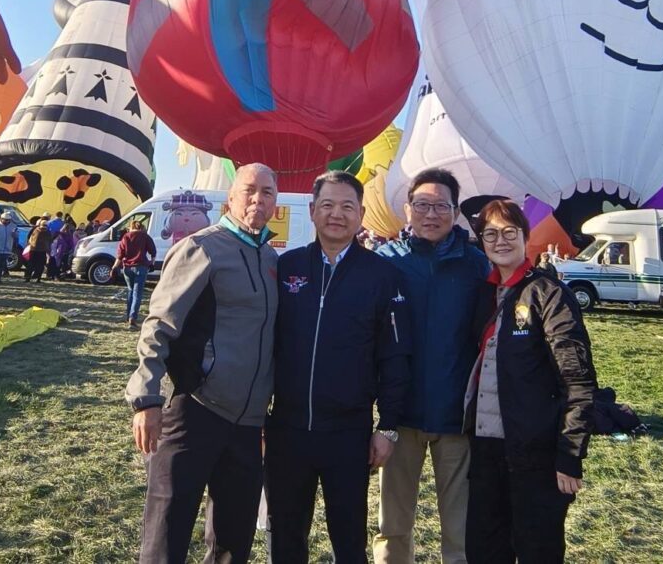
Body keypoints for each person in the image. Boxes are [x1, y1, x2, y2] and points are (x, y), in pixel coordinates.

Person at [126, 163, 279, 564]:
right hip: (196, 410)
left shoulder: (270, 257)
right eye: (249, 190)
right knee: (167, 531)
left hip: (247, 425)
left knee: (234, 538)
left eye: (267, 192)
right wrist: (146, 399)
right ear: (230, 196)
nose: (257, 200)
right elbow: (159, 324)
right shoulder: (202, 247)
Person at [266, 170, 411, 564]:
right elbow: (267, 345)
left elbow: (394, 357)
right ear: (312, 211)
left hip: (348, 434)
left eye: (348, 206)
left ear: (361, 214)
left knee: (348, 539)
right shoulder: (287, 268)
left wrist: (388, 426)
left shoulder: (383, 276)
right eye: (327, 205)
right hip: (287, 430)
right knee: (285, 536)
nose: (337, 214)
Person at [464, 197, 597, 564]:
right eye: (490, 233)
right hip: (485, 449)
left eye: (509, 232)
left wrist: (570, 454)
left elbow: (579, 379)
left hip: (534, 452)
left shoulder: (549, 294)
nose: (500, 240)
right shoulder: (484, 294)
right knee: (484, 549)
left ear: (525, 237)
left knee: (537, 549)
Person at [373, 168, 488, 564]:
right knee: (392, 525)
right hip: (400, 416)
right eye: (422, 204)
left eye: (441, 206)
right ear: (407, 210)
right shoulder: (385, 263)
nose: (431, 214)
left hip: (455, 417)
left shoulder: (477, 266)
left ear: (455, 212)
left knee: (460, 527)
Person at [112, 218, 157, 327]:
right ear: (141, 227)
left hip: (127, 268)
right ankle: (133, 317)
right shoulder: (145, 236)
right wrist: (151, 263)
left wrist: (114, 267)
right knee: (137, 294)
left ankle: (128, 316)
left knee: (130, 291)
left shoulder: (125, 237)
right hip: (141, 267)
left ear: (130, 227)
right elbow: (153, 252)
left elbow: (120, 255)